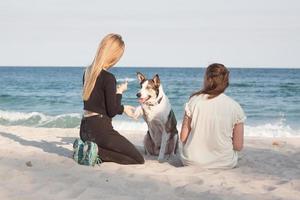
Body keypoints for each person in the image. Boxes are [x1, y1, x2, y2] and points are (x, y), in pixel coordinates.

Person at [79, 33, 145, 165]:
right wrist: (121, 99)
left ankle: (89, 149)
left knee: (124, 152)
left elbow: (99, 103)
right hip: (101, 130)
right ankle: (97, 152)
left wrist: (117, 92)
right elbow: (112, 111)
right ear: (113, 56)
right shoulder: (109, 78)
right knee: (138, 159)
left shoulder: (87, 73)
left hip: (85, 130)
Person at [180, 63, 246, 169]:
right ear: (226, 82)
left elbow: (183, 138)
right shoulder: (235, 107)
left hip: (192, 161)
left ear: (207, 79)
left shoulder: (193, 101)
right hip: (225, 162)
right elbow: (238, 146)